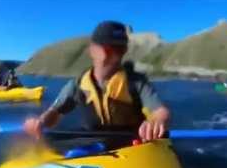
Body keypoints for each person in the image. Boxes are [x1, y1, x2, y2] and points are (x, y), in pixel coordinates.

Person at [24, 21, 170, 142]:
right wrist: (40, 122)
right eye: (106, 47)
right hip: (94, 144)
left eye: (117, 48)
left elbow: (160, 111)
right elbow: (54, 112)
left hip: (133, 143)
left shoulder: (136, 82)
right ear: (92, 50)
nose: (110, 54)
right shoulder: (78, 84)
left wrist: (156, 122)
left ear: (124, 50)